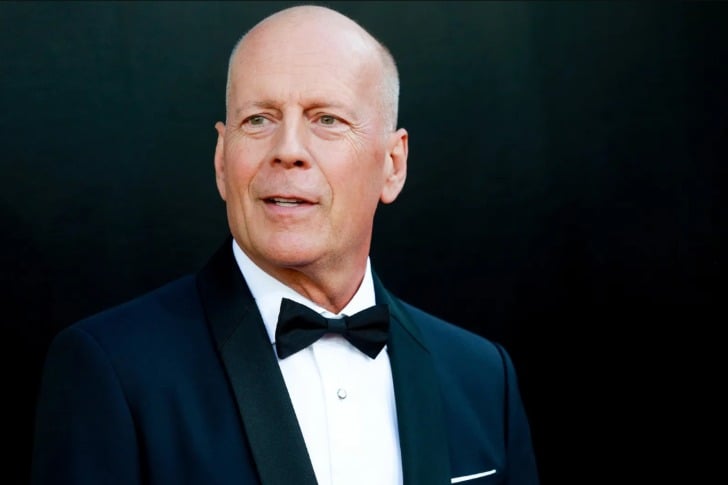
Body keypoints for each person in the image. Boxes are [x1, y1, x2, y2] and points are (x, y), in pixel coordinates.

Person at [30, 5, 540, 485]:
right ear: (221, 159)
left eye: (327, 119)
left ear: (393, 164)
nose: (288, 150)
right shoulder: (112, 371)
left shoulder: (483, 377)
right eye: (259, 119)